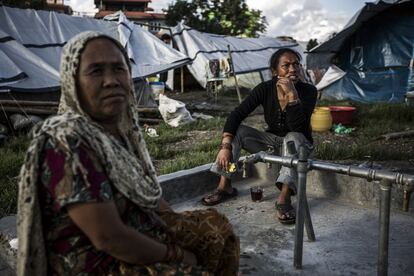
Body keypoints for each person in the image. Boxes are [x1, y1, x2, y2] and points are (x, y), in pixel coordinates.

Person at [17, 31, 239, 275]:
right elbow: (108, 238)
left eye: (118, 69)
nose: (111, 80)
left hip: (136, 227)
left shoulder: (118, 132)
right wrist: (176, 254)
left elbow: (148, 193)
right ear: (73, 82)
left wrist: (176, 224)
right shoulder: (68, 142)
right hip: (98, 260)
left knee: (218, 229)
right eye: (96, 71)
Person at [201, 48, 317, 225]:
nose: (293, 69)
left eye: (296, 64)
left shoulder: (309, 91)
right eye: (286, 65)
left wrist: (292, 95)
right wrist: (225, 147)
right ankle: (225, 186)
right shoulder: (265, 89)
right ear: (274, 71)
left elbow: (298, 128)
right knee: (238, 132)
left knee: (293, 136)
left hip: (299, 146)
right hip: (272, 143)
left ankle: (284, 198)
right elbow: (237, 114)